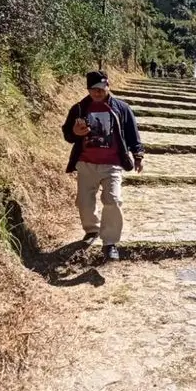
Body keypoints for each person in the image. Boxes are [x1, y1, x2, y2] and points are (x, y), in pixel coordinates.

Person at [61, 71, 144, 261]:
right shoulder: (79, 109)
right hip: (86, 163)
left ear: (108, 86)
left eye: (100, 88)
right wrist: (75, 132)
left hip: (112, 164)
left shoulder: (121, 108)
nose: (97, 93)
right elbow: (68, 135)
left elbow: (133, 134)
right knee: (84, 201)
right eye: (93, 89)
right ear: (88, 89)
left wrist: (138, 155)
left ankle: (110, 243)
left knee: (113, 201)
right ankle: (91, 230)